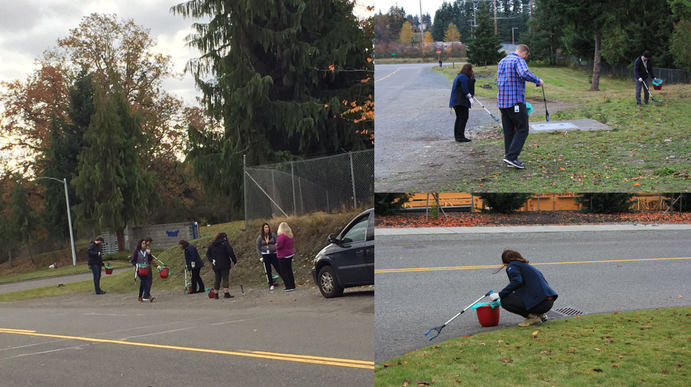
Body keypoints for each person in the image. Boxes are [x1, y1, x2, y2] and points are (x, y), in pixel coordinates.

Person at [496, 44, 543, 169]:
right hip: (515, 101)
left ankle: (509, 156)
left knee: (509, 130)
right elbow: (524, 73)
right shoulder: (518, 60)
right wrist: (538, 81)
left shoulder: (502, 61)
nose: (525, 58)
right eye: (526, 56)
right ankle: (511, 157)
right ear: (524, 53)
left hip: (502, 102)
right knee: (523, 128)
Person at [496, 249, 558, 327]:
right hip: (548, 301)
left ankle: (533, 317)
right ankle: (541, 315)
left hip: (541, 303)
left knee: (505, 301)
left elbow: (517, 281)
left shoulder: (512, 266)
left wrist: (500, 294)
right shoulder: (526, 266)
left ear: (505, 262)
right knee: (513, 295)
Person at [449, 64, 476, 142]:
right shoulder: (463, 77)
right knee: (463, 118)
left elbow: (468, 87)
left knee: (459, 118)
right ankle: (460, 137)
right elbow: (465, 89)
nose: (473, 71)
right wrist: (470, 97)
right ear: (469, 70)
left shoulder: (461, 76)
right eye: (472, 70)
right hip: (460, 101)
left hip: (457, 101)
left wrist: (472, 80)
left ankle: (458, 136)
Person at [206, 232, 237, 299]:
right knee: (225, 278)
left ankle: (216, 294)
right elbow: (230, 252)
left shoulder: (212, 244)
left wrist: (212, 260)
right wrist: (234, 260)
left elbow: (208, 254)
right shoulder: (225, 244)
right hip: (225, 263)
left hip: (216, 264)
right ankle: (226, 293)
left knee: (217, 279)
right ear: (224, 237)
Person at [256, 223, 280, 290]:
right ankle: (271, 283)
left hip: (273, 254)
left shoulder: (273, 235)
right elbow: (258, 247)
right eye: (265, 227)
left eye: (267, 227)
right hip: (265, 255)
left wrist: (277, 250)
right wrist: (260, 256)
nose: (267, 229)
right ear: (263, 229)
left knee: (278, 267)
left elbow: (277, 242)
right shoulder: (260, 237)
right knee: (268, 270)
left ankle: (285, 280)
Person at [275, 222, 296, 292]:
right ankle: (292, 285)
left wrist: (275, 246)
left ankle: (288, 286)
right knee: (289, 270)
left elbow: (279, 245)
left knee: (284, 271)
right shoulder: (290, 235)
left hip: (283, 255)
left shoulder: (282, 236)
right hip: (290, 254)